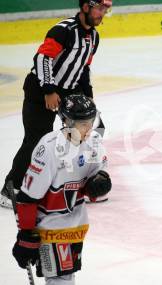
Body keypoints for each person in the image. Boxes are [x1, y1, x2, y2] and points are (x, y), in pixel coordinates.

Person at [0, 0, 111, 209]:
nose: (103, 13)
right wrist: (49, 90)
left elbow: (83, 69)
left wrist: (89, 97)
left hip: (69, 89)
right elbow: (43, 58)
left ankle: (85, 185)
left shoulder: (94, 36)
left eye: (106, 9)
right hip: (39, 90)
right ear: (85, 7)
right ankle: (11, 189)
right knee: (36, 139)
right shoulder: (63, 30)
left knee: (92, 129)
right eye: (99, 8)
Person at [11, 94, 112, 285]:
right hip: (49, 227)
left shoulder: (93, 142)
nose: (89, 128)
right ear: (67, 122)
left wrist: (100, 182)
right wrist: (25, 235)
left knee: (66, 276)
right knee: (60, 279)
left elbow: (98, 175)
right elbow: (28, 197)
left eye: (91, 121)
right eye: (83, 124)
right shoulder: (49, 149)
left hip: (76, 226)